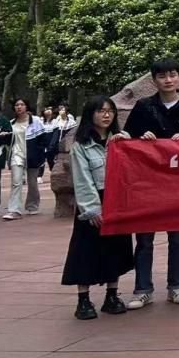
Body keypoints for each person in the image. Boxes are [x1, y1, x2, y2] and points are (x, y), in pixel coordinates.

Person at [123, 58, 179, 307]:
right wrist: (140, 138)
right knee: (144, 238)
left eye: (172, 74)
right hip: (148, 183)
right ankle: (142, 289)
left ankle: (176, 286)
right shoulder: (144, 106)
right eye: (162, 76)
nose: (168, 80)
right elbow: (128, 139)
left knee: (177, 236)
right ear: (154, 80)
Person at [61, 97, 134, 320]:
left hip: (117, 202)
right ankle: (83, 299)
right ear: (90, 114)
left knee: (116, 249)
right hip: (93, 201)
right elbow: (82, 180)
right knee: (85, 251)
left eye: (110, 111)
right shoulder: (81, 146)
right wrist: (92, 209)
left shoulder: (121, 140)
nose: (106, 115)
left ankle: (112, 295)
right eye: (101, 111)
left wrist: (130, 142)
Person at [1, 98, 45, 220]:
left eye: (22, 104)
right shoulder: (11, 123)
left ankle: (32, 205)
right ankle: (14, 210)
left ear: (27, 107)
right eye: (17, 105)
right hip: (16, 155)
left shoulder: (36, 121)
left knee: (32, 183)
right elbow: (9, 141)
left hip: (32, 156)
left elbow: (43, 139)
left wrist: (40, 155)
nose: (19, 107)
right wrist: (5, 136)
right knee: (16, 182)